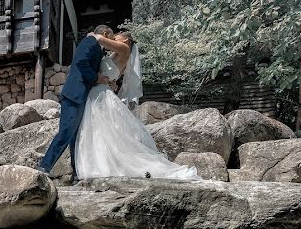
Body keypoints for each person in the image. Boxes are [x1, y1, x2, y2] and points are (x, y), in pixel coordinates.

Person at [72, 30, 201, 181]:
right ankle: (99, 164)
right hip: (97, 93)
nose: (114, 38)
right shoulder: (116, 52)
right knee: (101, 132)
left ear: (126, 40)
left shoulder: (124, 49)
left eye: (117, 36)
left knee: (105, 131)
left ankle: (105, 167)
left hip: (101, 94)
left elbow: (99, 39)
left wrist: (92, 36)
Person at [39, 25, 115, 179]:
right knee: (66, 132)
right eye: (112, 37)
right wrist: (96, 78)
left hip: (81, 96)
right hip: (75, 94)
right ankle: (44, 166)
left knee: (76, 136)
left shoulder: (98, 48)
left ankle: (76, 171)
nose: (112, 42)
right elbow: (80, 62)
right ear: (105, 33)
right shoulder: (90, 41)